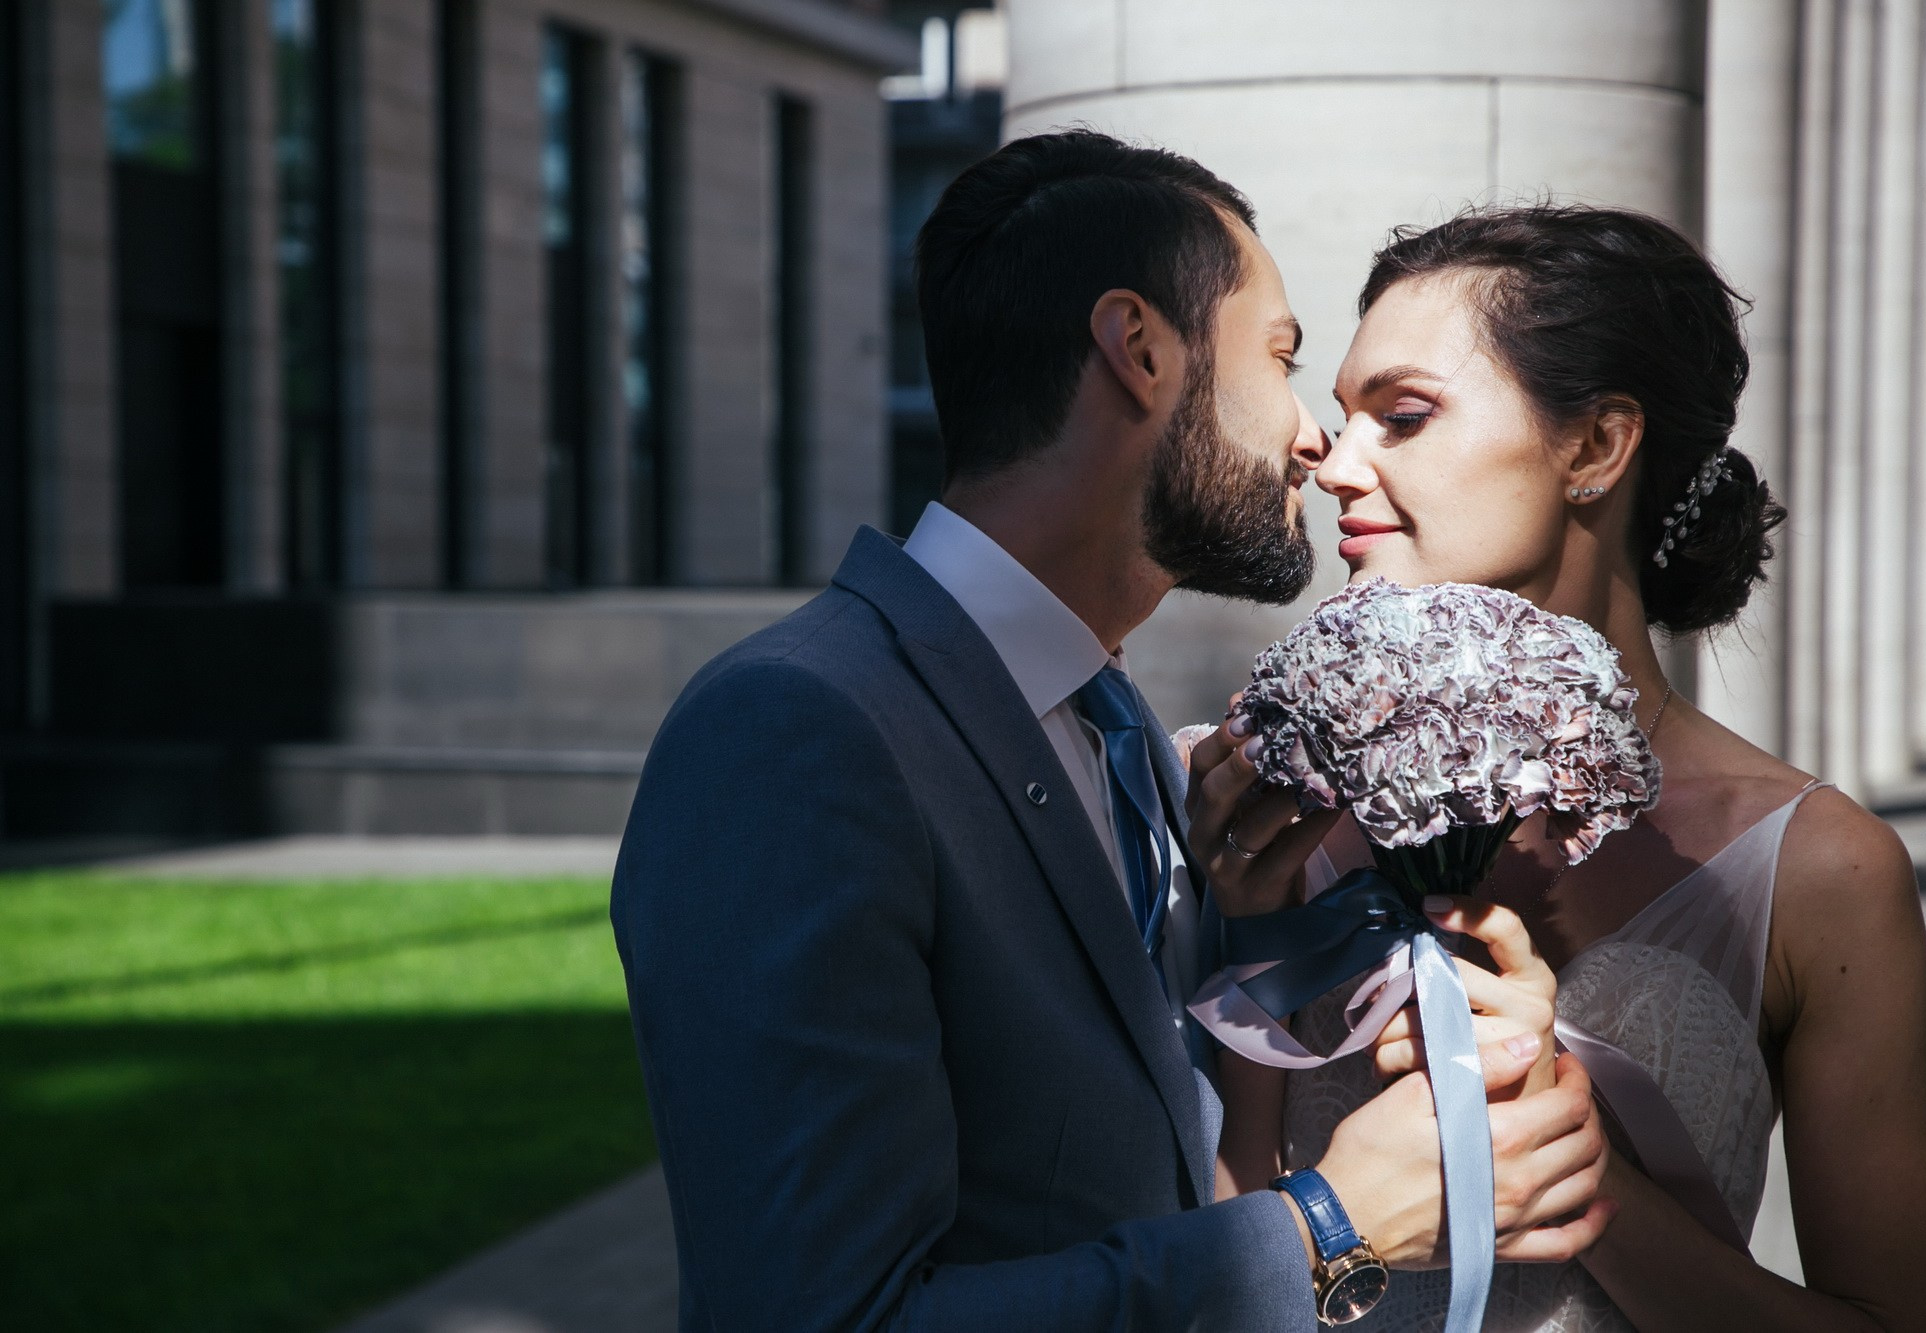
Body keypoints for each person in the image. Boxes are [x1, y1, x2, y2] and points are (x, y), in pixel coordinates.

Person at [611, 134, 1614, 1331]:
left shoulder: (1121, 730)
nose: (1311, 440)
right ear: (1138, 349)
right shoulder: (794, 731)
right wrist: (1324, 1226)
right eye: (1279, 360)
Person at [1189, 204, 1926, 1330]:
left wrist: (1580, 1167)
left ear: (1594, 447)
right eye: (1343, 419)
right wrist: (1247, 945)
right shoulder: (1255, 800)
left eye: (1402, 416)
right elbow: (1203, 1270)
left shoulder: (1820, 870)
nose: (1336, 466)